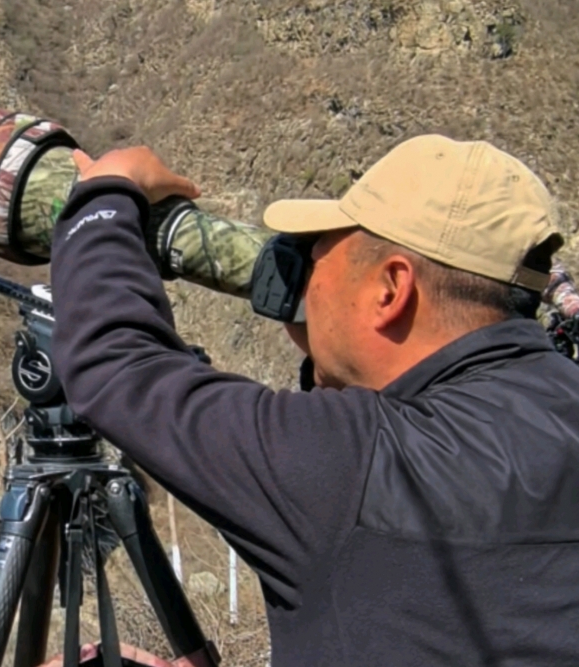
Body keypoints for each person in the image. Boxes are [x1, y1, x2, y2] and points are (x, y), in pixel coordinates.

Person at [45, 134, 579, 667]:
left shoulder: (356, 463)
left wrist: (105, 192)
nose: (307, 280)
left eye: (318, 253)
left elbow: (117, 365)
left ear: (391, 289)